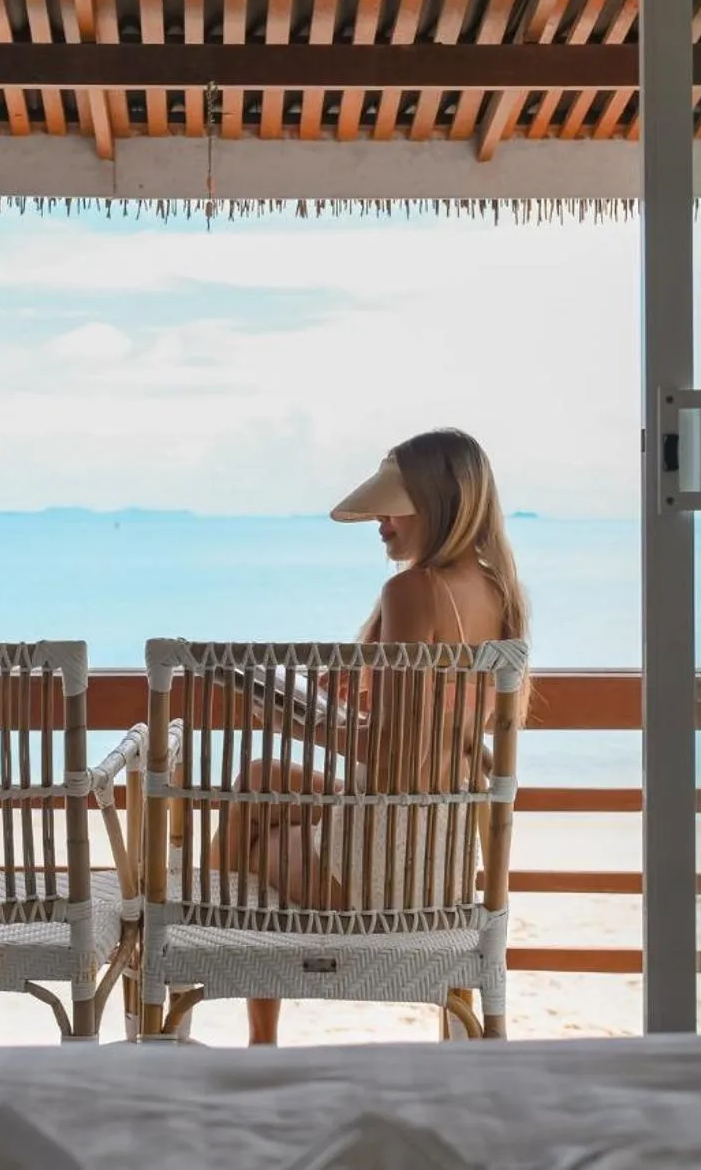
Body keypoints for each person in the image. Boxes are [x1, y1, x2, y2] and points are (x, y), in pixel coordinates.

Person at [215, 428, 530, 1044]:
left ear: (437, 505)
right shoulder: (495, 591)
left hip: (376, 864)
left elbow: (393, 752)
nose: (380, 522)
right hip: (439, 843)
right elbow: (428, 740)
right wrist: (333, 710)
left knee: (250, 852)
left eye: (394, 505)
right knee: (258, 778)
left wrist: (291, 719)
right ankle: (257, 1031)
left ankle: (243, 1014)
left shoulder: (411, 591)